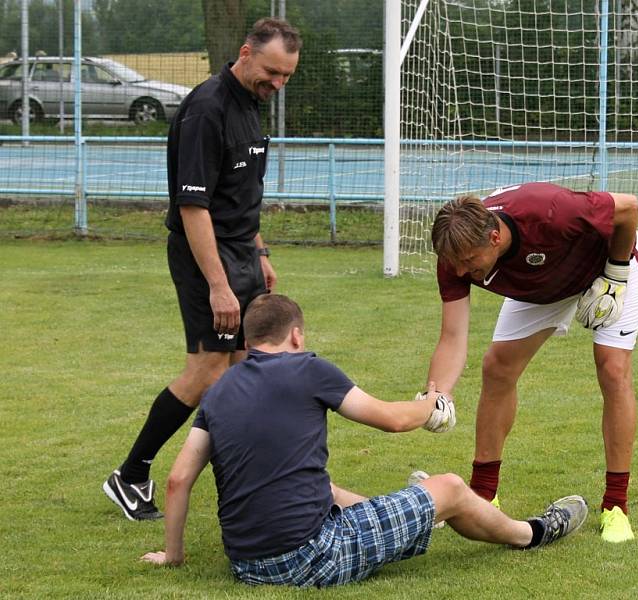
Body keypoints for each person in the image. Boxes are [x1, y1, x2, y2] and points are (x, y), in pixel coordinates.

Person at [140, 294, 588, 587]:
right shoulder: (309, 368)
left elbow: (179, 480)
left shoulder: (218, 391)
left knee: (327, 490)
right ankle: (531, 533)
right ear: (296, 335)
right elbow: (391, 420)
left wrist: (173, 556)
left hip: (246, 566)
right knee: (449, 486)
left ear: (251, 340)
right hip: (311, 557)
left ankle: (419, 512)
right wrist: (432, 401)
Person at [103, 18, 302, 521]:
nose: (277, 84)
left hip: (241, 252)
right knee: (208, 369)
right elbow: (194, 208)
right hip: (203, 257)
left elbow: (241, 196)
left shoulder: (251, 107)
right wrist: (219, 285)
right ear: (245, 53)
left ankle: (244, 482)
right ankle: (130, 475)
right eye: (272, 72)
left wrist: (259, 252)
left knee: (244, 371)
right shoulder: (206, 108)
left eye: (286, 77)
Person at [425, 182, 638, 543]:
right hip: (541, 284)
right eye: (455, 265)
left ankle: (616, 506)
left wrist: (617, 275)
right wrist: (437, 395)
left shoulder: (551, 210)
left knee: (612, 369)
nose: (462, 272)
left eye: (469, 263)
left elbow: (628, 208)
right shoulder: (455, 255)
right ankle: (483, 495)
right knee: (497, 368)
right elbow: (452, 336)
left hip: (606, 263)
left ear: (495, 237)